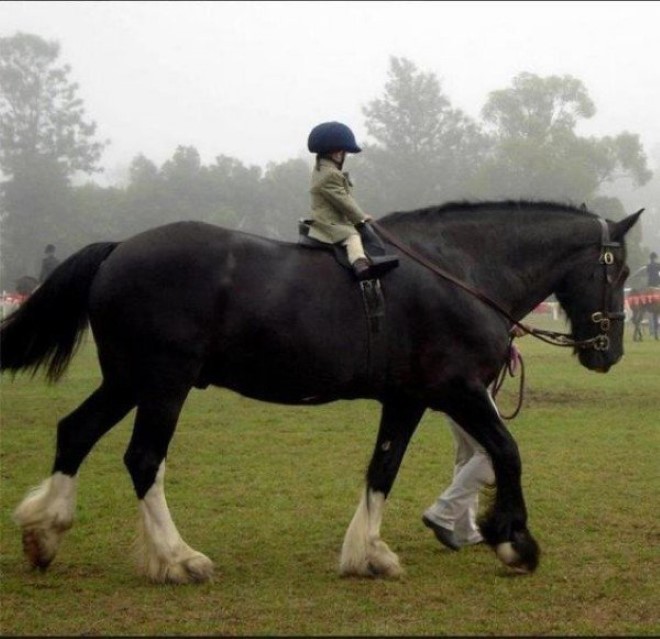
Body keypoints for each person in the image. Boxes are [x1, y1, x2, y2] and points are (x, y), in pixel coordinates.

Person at [422, 330, 525, 551]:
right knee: (493, 454)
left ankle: (464, 530)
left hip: (452, 384)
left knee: (467, 456)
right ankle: (442, 513)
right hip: (466, 386)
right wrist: (504, 333)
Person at [306, 121, 374, 280]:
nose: (345, 156)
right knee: (352, 236)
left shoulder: (320, 170)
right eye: (345, 153)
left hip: (325, 218)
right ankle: (360, 264)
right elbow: (345, 202)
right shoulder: (331, 175)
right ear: (337, 154)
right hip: (330, 222)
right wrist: (361, 217)